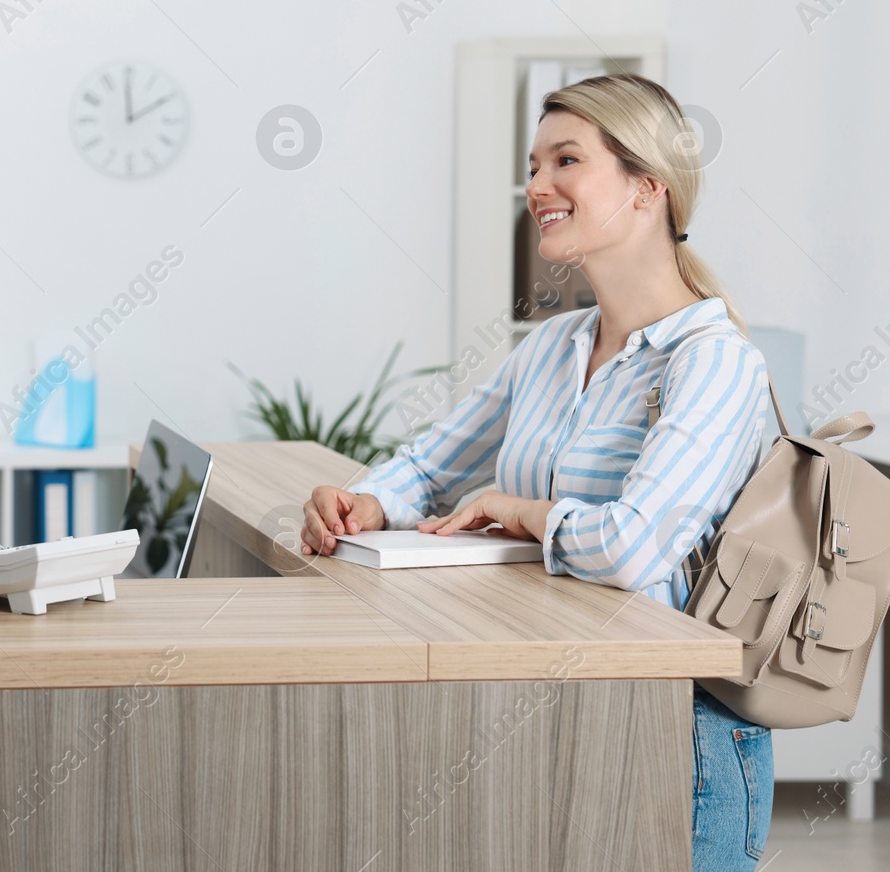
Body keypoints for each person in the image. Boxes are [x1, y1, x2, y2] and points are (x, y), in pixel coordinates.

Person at [300, 73, 773, 870]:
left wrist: (524, 511)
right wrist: (364, 503)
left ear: (647, 187)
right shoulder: (554, 346)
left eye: (566, 160)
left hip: (674, 736)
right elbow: (429, 462)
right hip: (555, 711)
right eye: (531, 164)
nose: (537, 186)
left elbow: (632, 550)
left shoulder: (715, 362)